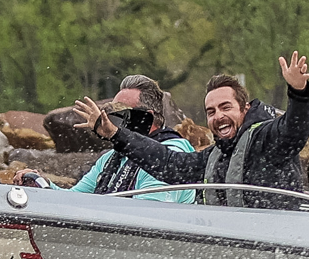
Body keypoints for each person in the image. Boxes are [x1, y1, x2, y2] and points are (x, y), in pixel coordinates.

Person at [75, 52, 309, 208]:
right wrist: (115, 134)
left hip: (276, 249)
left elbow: (296, 130)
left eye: (225, 107)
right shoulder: (215, 157)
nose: (218, 116)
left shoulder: (269, 140)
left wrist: (299, 92)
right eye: (211, 112)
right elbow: (168, 164)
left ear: (245, 109)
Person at [15, 76, 197, 202]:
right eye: (113, 114)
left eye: (122, 113)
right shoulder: (110, 158)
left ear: (147, 117)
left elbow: (150, 217)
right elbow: (75, 200)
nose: (112, 121)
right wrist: (43, 185)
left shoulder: (171, 153)